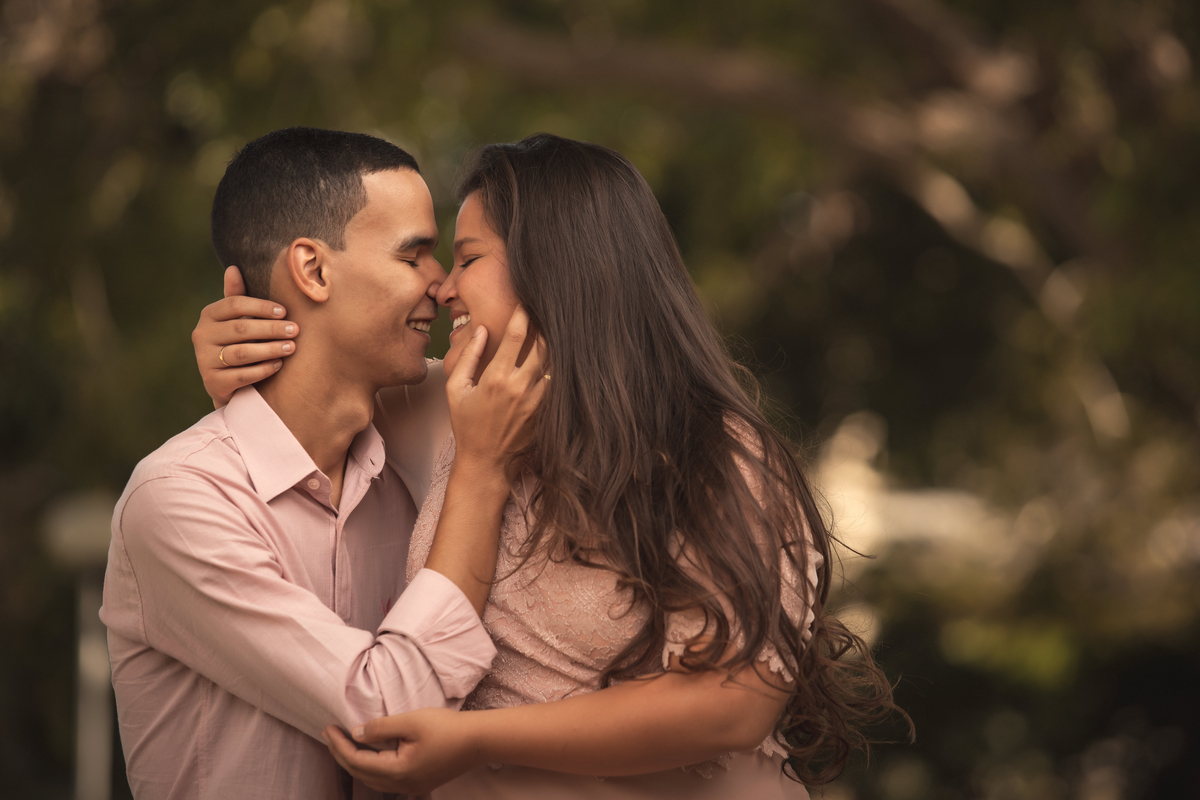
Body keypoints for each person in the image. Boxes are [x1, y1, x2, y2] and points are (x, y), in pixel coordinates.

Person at [195, 134, 905, 798]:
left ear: (557, 269)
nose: (442, 288)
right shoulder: (450, 410)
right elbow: (323, 380)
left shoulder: (714, 452)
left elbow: (732, 704)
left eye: (467, 258)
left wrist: (475, 739)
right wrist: (241, 347)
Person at [102, 127, 546, 800]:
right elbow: (386, 714)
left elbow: (597, 393)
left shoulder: (422, 428)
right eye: (416, 255)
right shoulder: (182, 500)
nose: (443, 284)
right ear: (312, 270)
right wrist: (480, 476)